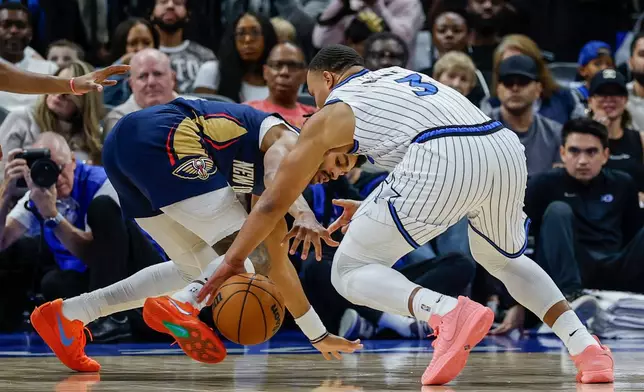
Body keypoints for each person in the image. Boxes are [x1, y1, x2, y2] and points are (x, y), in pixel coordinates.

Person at [199, 45, 614, 386]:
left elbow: (272, 203)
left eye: (315, 92)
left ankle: (448, 313)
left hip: (444, 155)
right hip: (500, 146)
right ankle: (586, 349)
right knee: (503, 259)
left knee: (348, 269)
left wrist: (233, 262)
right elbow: (432, 149)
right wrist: (370, 209)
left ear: (327, 79)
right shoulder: (397, 76)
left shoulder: (329, 112)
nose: (317, 102)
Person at [30, 98, 363, 372]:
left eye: (343, 171)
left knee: (198, 268)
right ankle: (183, 305)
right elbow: (278, 170)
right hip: (165, 135)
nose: (334, 173)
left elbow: (279, 267)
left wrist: (318, 335)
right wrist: (303, 213)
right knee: (244, 258)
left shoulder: (272, 191)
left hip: (124, 150)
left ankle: (69, 314)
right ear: (321, 137)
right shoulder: (289, 139)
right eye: (339, 160)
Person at [526, 118, 644, 300]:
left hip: (616, 265)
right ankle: (571, 296)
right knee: (558, 210)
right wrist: (517, 301)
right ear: (563, 153)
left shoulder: (623, 183)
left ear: (605, 155)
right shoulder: (543, 184)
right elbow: (523, 245)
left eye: (591, 152)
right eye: (574, 151)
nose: (582, 161)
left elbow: (634, 236)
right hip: (569, 269)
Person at [0, 60, 105, 165]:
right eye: (56, 87)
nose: (58, 95)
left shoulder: (93, 138)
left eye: (67, 94)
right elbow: (1, 172)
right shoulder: (21, 119)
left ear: (86, 102)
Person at [103, 49, 178, 134]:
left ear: (172, 78)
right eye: (142, 76)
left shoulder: (194, 108)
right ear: (131, 84)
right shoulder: (119, 120)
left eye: (158, 74)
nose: (151, 82)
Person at [245, 42, 315, 128]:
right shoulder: (246, 113)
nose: (284, 72)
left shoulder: (315, 117)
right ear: (265, 72)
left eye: (293, 66)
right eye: (277, 65)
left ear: (305, 75)